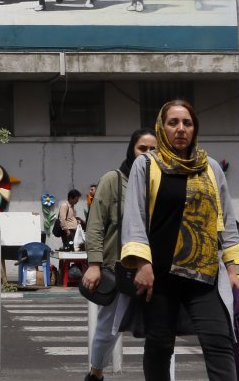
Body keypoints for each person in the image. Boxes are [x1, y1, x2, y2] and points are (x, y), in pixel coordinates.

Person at [120, 100, 239, 381]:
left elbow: (226, 220)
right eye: (173, 123)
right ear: (162, 128)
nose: (181, 129)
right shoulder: (146, 165)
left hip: (205, 276)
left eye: (187, 123)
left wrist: (233, 270)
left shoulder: (210, 167)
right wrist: (142, 264)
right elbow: (135, 216)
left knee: (220, 342)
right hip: (159, 277)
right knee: (160, 345)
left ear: (194, 128)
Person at [82, 129, 157, 381]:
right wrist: (94, 264)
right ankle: (96, 373)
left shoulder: (161, 181)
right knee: (108, 328)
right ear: (131, 150)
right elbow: (95, 223)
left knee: (160, 329)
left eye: (153, 150)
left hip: (154, 269)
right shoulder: (113, 180)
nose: (147, 155)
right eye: (142, 149)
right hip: (119, 269)